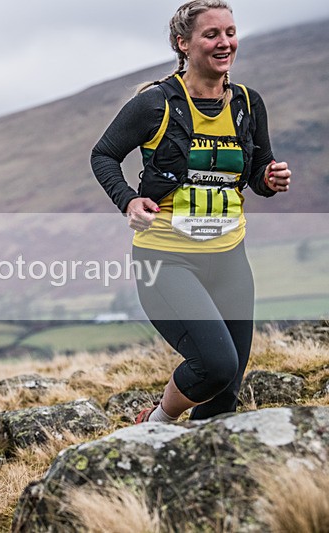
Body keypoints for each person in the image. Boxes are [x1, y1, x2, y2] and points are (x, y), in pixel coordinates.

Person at [91, 0, 290, 423]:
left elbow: (256, 171)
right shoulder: (155, 104)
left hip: (230, 258)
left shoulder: (248, 105)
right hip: (167, 258)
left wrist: (269, 180)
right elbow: (104, 155)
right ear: (183, 43)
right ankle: (156, 422)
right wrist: (127, 198)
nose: (225, 43)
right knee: (215, 366)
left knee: (224, 396)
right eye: (212, 34)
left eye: (230, 33)